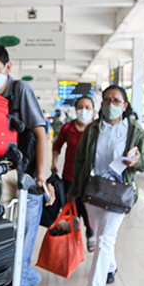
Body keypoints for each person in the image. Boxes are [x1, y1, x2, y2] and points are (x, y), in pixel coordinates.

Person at [0, 42, 54, 286]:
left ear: (8, 67)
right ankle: (25, 284)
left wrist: (42, 178)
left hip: (24, 184)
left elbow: (40, 133)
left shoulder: (20, 90)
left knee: (19, 254)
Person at [69, 85, 144, 286]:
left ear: (124, 106)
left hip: (120, 191)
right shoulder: (93, 129)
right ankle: (110, 267)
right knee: (99, 236)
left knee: (105, 239)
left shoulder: (134, 130)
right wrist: (74, 191)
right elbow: (80, 161)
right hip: (93, 190)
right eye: (106, 100)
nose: (111, 105)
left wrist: (136, 162)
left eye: (116, 101)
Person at [52, 96, 96, 251]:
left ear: (93, 111)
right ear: (75, 109)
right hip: (69, 176)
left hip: (91, 178)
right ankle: (72, 242)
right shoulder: (68, 128)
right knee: (71, 208)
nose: (83, 110)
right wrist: (53, 164)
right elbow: (56, 147)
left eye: (87, 107)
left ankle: (90, 232)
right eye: (80, 107)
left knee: (87, 207)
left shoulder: (97, 129)